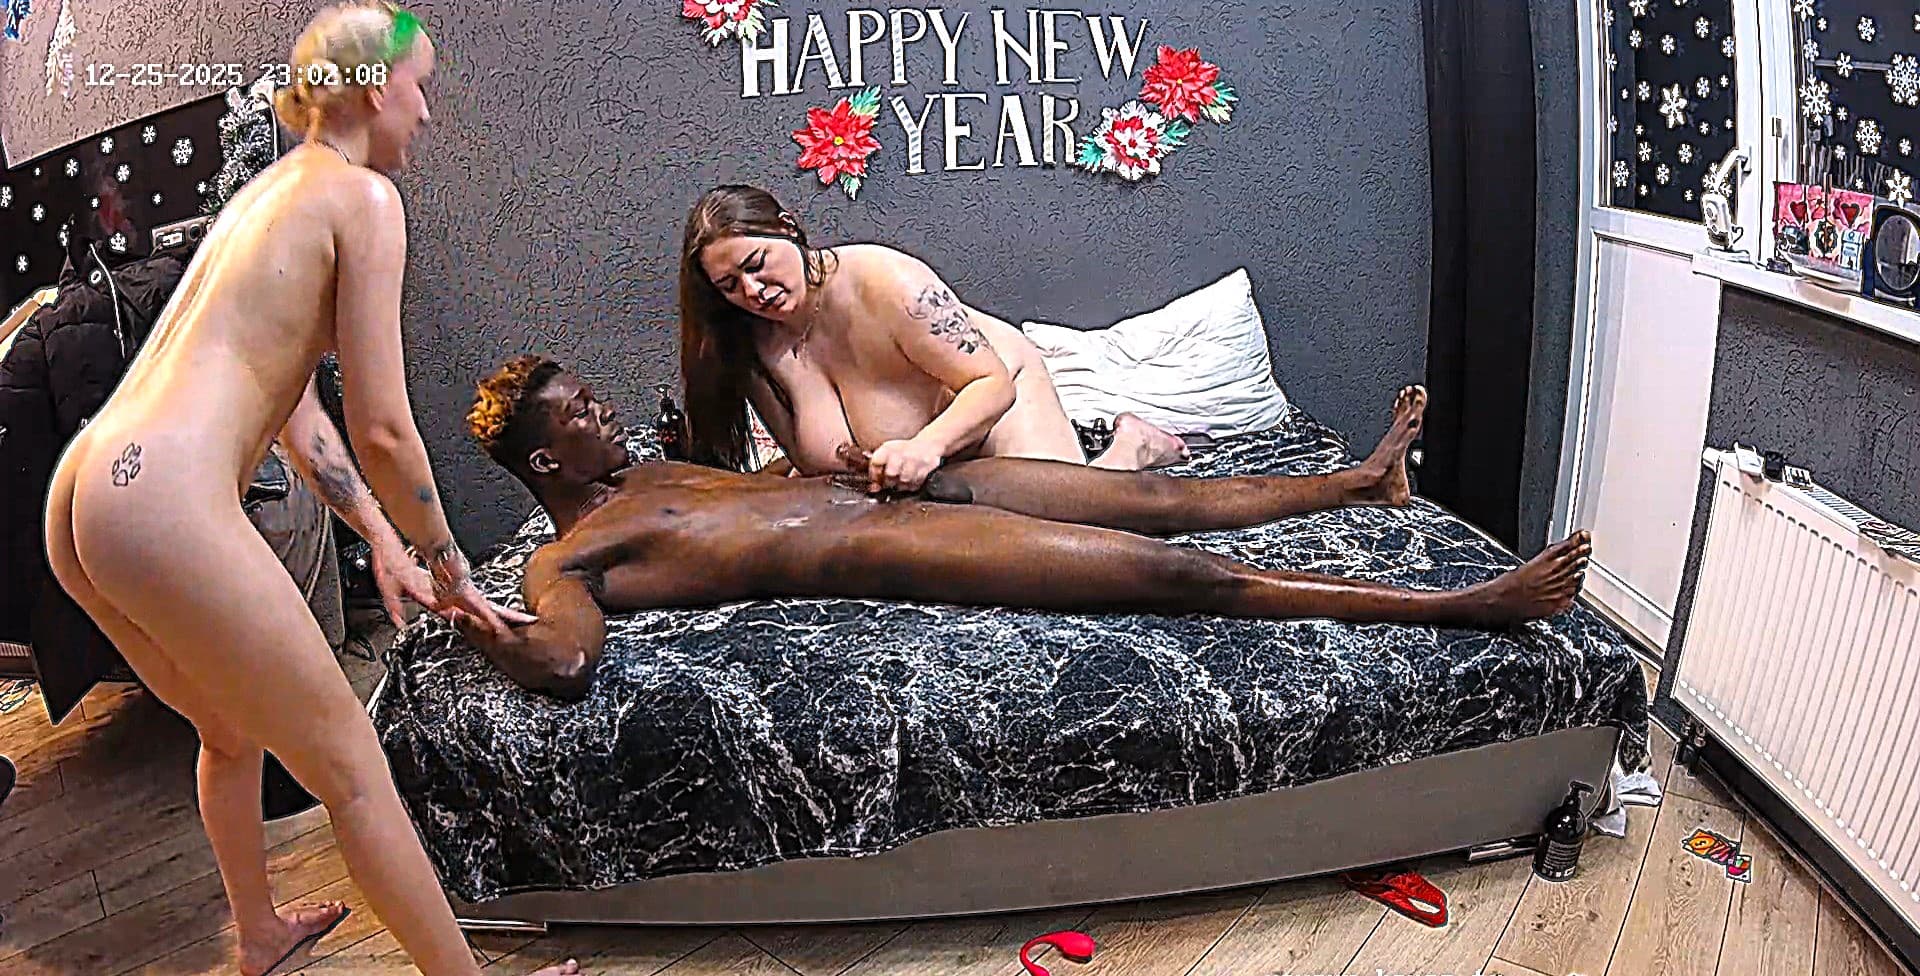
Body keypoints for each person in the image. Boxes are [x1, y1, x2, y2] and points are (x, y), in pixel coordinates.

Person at [41, 6, 578, 976]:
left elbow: (299, 412)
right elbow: (383, 426)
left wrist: (381, 535)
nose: (427, 112)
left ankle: (257, 933)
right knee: (354, 772)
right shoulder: (362, 199)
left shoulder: (270, 195)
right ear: (373, 88)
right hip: (161, 499)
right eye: (420, 86)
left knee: (227, 729)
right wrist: (450, 566)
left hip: (87, 493)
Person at [454, 355, 1592, 701]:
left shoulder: (650, 468)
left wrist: (847, 456)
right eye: (582, 414)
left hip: (917, 490)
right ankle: (1460, 605)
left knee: (1155, 498)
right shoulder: (566, 557)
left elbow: (758, 498)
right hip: (899, 548)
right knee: (1173, 573)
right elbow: (566, 657)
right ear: (546, 461)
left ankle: (1356, 485)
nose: (605, 413)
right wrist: (497, 631)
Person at [677, 184, 1196, 492]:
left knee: (1067, 528)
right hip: (913, 461)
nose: (753, 290)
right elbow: (812, 465)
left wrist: (927, 446)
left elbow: (990, 383)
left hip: (994, 391)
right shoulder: (749, 346)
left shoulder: (888, 282)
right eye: (730, 285)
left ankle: (1133, 445)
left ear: (787, 229)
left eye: (756, 264)